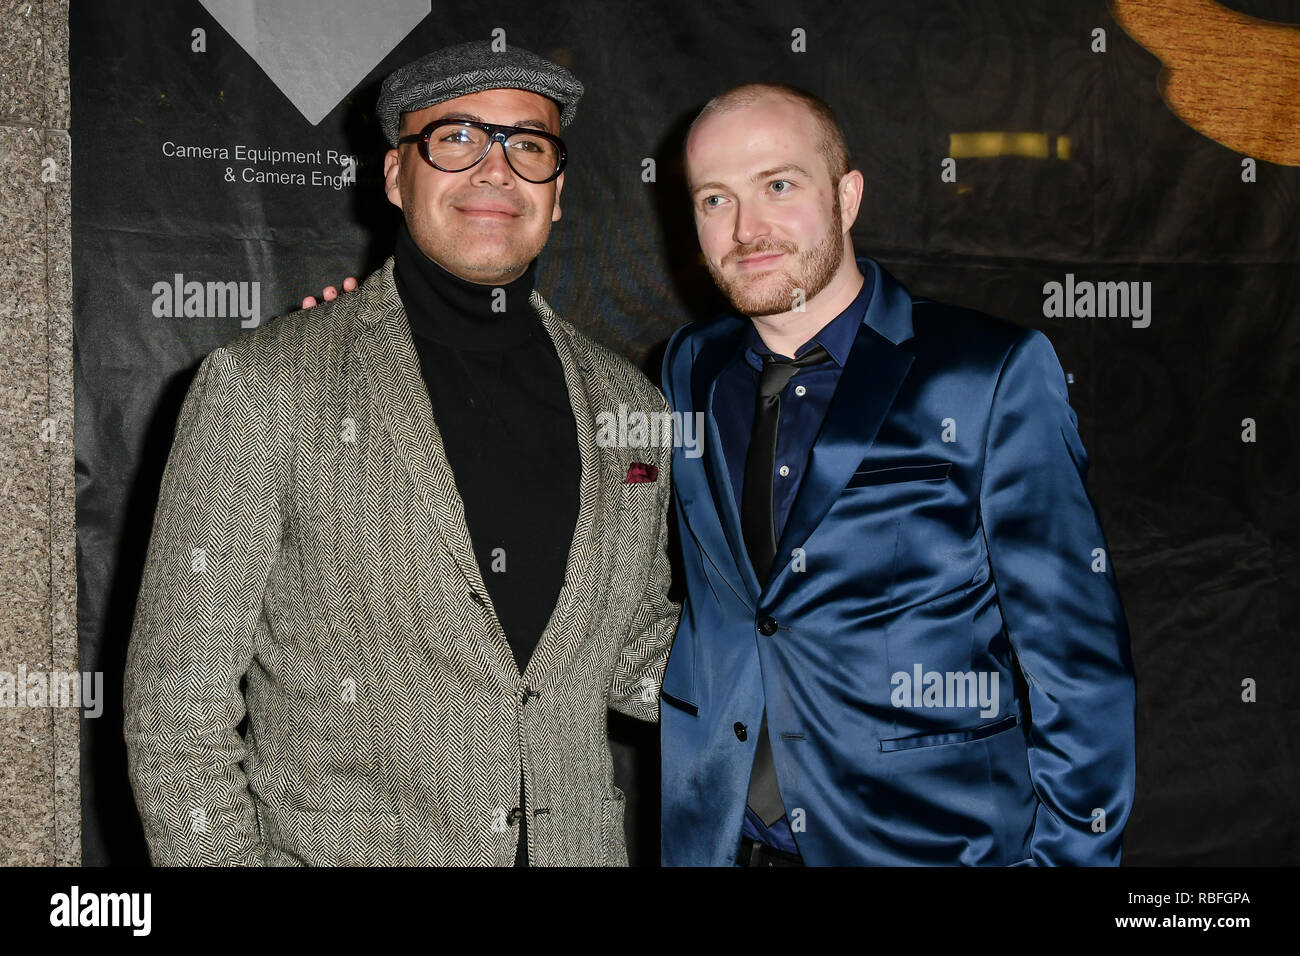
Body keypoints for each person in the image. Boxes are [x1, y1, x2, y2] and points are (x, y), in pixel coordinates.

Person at [123, 40, 679, 867]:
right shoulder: (262, 386)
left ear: (557, 194)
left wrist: (811, 684)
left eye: (527, 146)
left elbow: (631, 643)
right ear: (394, 177)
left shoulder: (632, 406)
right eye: (456, 138)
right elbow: (177, 713)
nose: (496, 170)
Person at [658, 83, 1137, 866]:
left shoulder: (989, 373)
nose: (747, 229)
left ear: (847, 196)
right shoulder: (692, 366)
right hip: (722, 842)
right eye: (715, 199)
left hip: (928, 847)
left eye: (779, 185)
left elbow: (1077, 663)